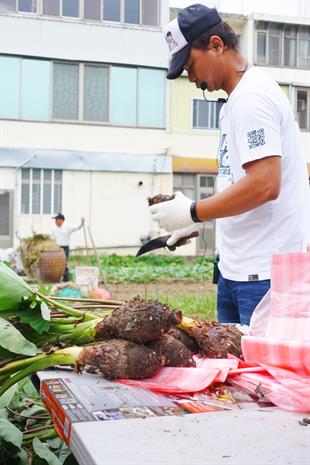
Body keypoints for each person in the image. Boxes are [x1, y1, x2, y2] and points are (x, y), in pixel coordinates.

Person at [150, 4, 310, 325]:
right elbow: (238, 181)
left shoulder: (252, 99)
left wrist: (194, 210)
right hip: (235, 272)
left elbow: (265, 184)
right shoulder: (234, 102)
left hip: (265, 278)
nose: (190, 77)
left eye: (190, 65)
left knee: (259, 375)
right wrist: (196, 221)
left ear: (216, 45)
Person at [51, 213, 85, 282]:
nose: (55, 221)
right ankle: (57, 278)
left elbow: (77, 227)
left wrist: (82, 223)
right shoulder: (53, 228)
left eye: (56, 220)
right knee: (56, 264)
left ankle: (66, 279)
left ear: (61, 220)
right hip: (57, 248)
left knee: (64, 263)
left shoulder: (68, 226)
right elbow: (53, 238)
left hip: (65, 248)